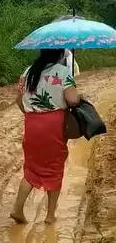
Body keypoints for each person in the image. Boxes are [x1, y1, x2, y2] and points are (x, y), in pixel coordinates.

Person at [11, 49, 81, 225]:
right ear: (59, 55)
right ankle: (50, 216)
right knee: (54, 166)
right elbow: (72, 101)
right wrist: (79, 95)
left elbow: (19, 100)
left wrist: (32, 115)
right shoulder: (63, 72)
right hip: (54, 125)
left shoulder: (28, 71)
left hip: (32, 123)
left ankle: (17, 209)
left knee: (32, 168)